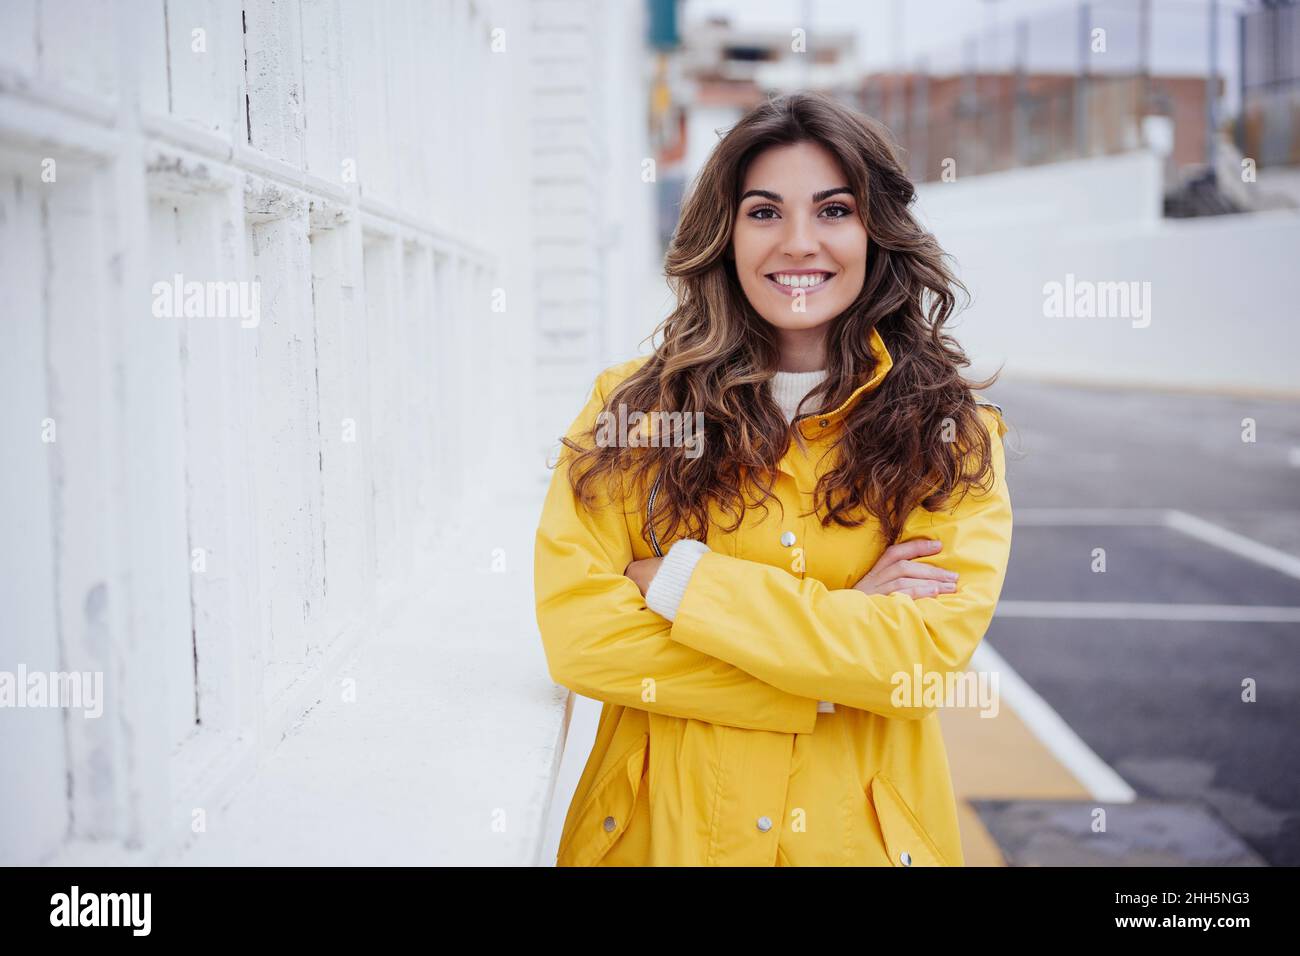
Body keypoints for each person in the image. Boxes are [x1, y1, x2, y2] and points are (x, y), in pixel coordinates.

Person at [534, 91, 1013, 867]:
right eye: (763, 212)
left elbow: (919, 660)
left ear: (875, 232)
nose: (798, 243)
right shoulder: (632, 413)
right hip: (662, 842)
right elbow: (582, 637)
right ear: (723, 235)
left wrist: (684, 583)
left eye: (833, 210)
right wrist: (832, 660)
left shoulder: (948, 433)